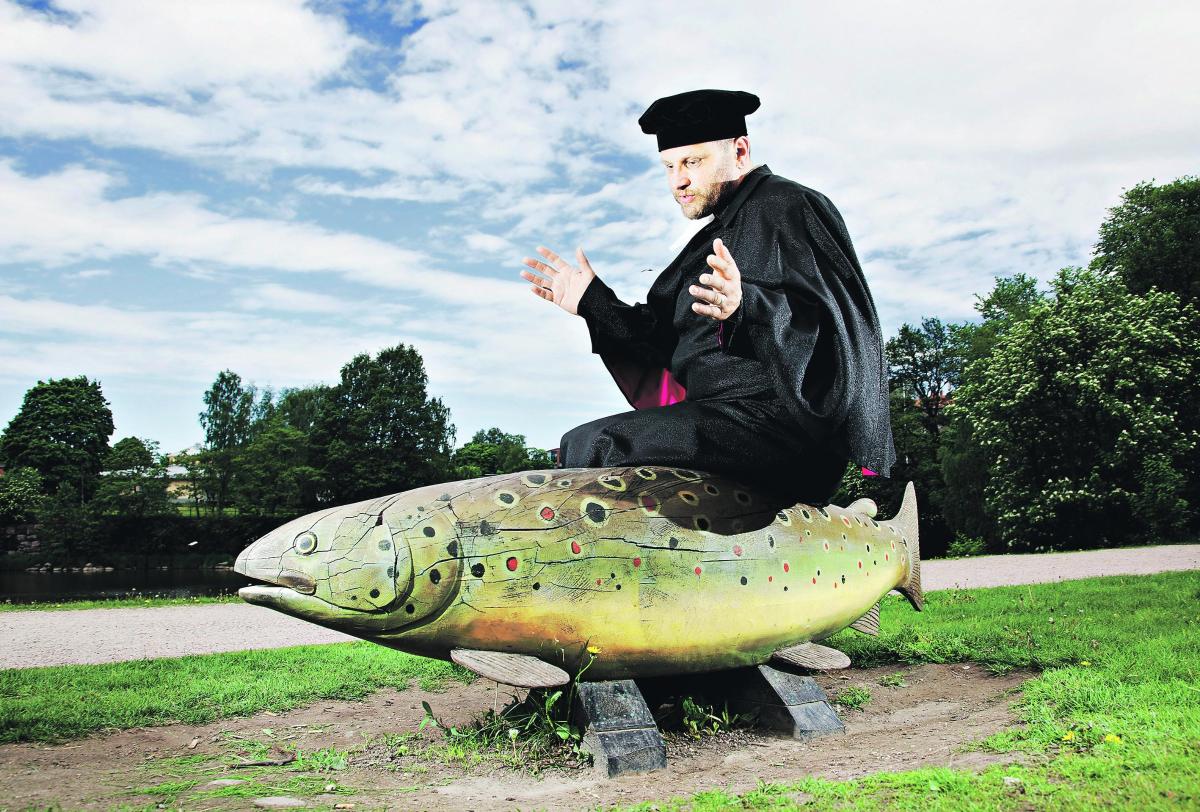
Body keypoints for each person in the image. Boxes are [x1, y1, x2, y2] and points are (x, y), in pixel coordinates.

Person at [519, 89, 894, 504]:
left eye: (692, 162)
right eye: (668, 166)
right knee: (577, 443)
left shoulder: (791, 205)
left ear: (739, 151)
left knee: (595, 445)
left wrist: (746, 304)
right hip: (720, 420)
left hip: (783, 427)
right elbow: (658, 338)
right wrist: (592, 301)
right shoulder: (707, 241)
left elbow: (840, 325)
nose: (677, 180)